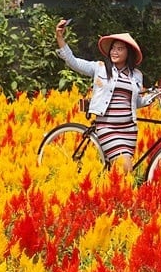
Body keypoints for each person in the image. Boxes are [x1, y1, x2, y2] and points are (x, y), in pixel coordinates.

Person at [55, 20, 150, 174]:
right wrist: (60, 37)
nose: (115, 52)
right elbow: (74, 62)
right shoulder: (99, 68)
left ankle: (115, 195)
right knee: (124, 166)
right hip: (108, 126)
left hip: (129, 129)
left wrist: (151, 98)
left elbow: (136, 101)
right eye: (113, 48)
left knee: (122, 172)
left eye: (120, 49)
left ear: (128, 53)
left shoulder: (136, 75)